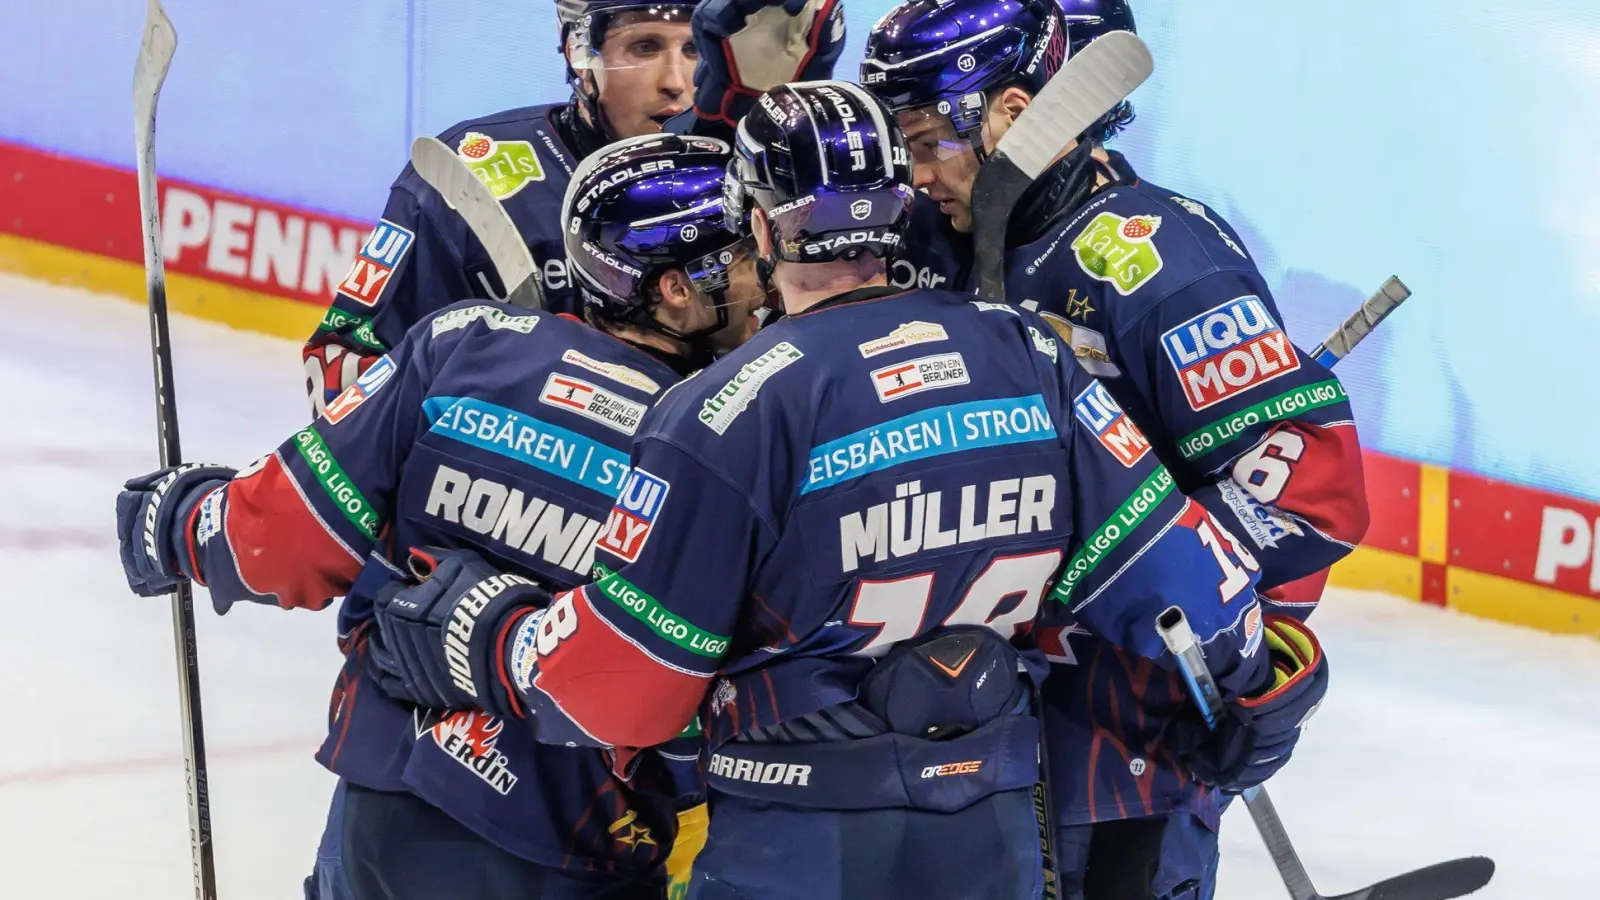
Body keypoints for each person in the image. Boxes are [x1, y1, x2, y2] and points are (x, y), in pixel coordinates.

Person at [361, 81, 1330, 900]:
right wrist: (1252, 691)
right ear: (896, 205)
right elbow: (1183, 584)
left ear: (756, 229)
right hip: (991, 836)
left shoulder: (724, 411)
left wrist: (487, 635)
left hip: (796, 845)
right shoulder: (1029, 356)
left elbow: (627, 688)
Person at [115, 134, 770, 900]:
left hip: (384, 814)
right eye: (747, 259)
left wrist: (179, 517)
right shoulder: (720, 436)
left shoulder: (463, 344)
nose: (771, 279)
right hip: (574, 844)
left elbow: (278, 541)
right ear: (674, 289)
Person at [860, 2, 1370, 897]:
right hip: (944, 734)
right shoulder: (925, 241)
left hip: (1120, 744)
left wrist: (1260, 652)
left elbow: (1303, 490)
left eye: (932, 138)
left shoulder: (1155, 259)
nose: (915, 170)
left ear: (1014, 115)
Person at [303, 0, 845, 416]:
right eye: (644, 47)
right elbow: (346, 367)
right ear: (579, 53)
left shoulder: (755, 171)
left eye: (693, 49)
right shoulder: (473, 180)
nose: (677, 83)